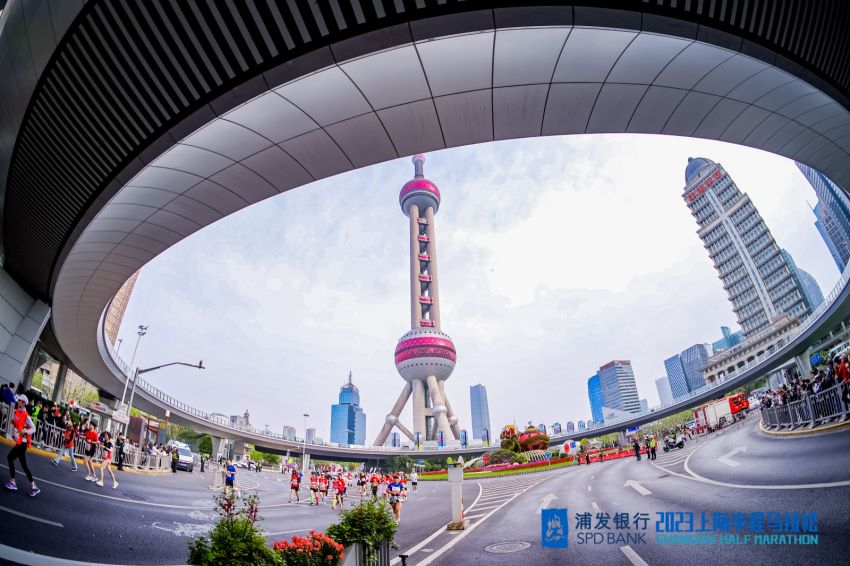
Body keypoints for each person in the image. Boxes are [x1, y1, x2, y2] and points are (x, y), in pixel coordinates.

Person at [4, 395, 40, 497]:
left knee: (10, 458)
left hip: (22, 443)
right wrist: (13, 423)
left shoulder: (26, 415)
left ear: (23, 403)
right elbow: (18, 424)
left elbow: (34, 428)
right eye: (18, 400)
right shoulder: (18, 411)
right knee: (24, 465)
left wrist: (24, 431)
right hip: (19, 442)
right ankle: (34, 487)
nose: (18, 401)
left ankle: (13, 482)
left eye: (20, 400)